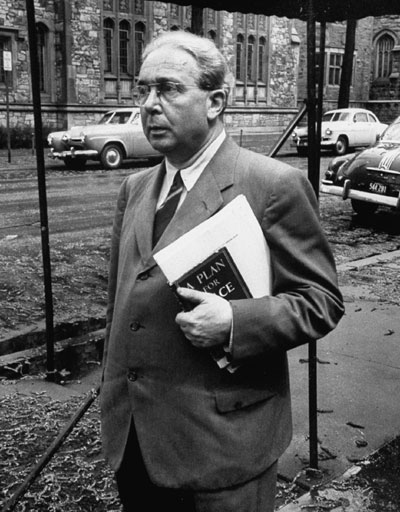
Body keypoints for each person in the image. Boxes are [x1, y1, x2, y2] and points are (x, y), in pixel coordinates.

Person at [100, 30, 344, 512]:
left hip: (222, 450)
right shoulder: (136, 187)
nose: (148, 104)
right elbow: (119, 302)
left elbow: (321, 301)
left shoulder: (273, 185)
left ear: (215, 102)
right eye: (143, 89)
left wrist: (234, 322)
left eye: (169, 89)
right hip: (134, 439)